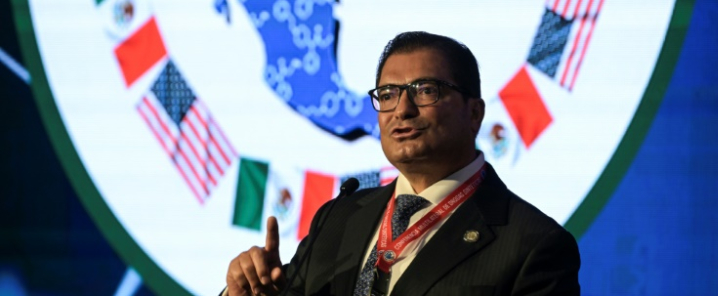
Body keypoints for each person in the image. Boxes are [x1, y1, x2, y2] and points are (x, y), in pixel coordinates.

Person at [224, 31, 581, 296]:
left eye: (425, 90)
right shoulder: (338, 218)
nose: (402, 110)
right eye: (388, 94)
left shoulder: (533, 245)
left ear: (475, 113)